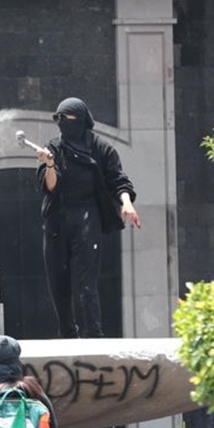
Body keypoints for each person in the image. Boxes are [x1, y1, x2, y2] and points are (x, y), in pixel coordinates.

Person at [37, 97, 140, 338]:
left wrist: (126, 204)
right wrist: (50, 165)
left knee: (86, 282)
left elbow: (119, 181)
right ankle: (67, 334)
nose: (62, 124)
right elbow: (49, 187)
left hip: (87, 216)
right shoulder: (53, 147)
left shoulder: (101, 148)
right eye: (58, 119)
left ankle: (93, 334)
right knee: (57, 280)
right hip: (57, 219)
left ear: (81, 120)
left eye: (67, 118)